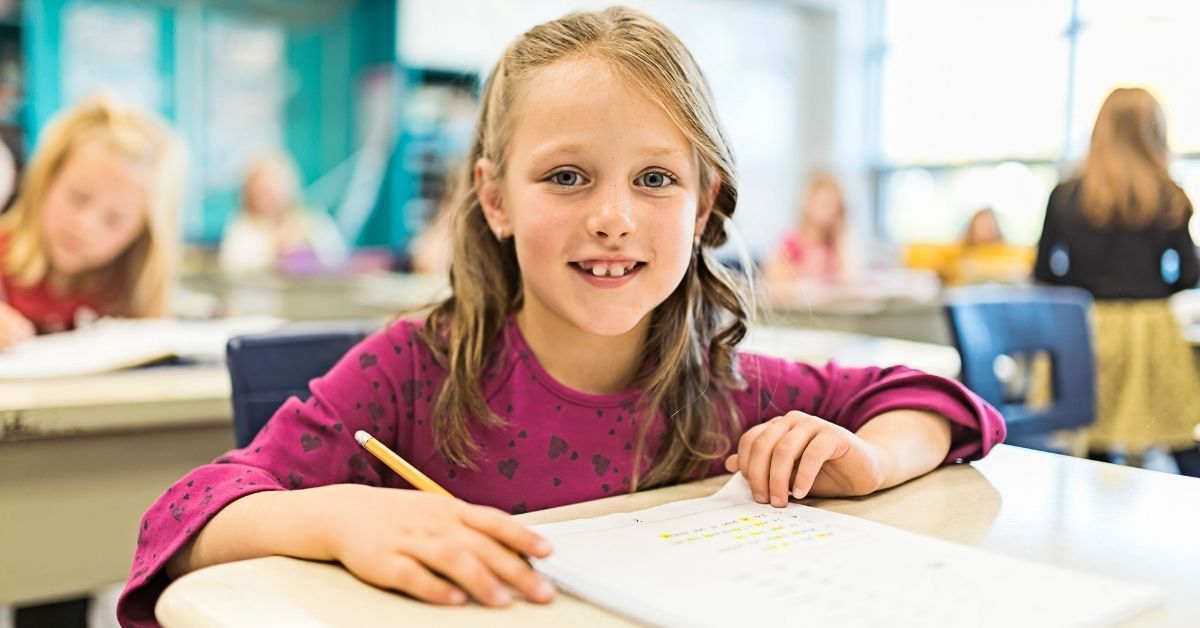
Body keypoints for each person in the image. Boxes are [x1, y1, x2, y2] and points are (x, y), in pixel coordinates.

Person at [118, 8, 1005, 625]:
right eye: (567, 176)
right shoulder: (416, 370)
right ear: (494, 198)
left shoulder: (723, 383)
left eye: (655, 179)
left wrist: (871, 455)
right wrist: (343, 516)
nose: (613, 216)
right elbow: (185, 519)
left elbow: (936, 399)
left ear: (703, 208)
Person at [1035, 87, 1200, 477]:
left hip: (1089, 327)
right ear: (1154, 131)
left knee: (1095, 440)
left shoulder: (1065, 195)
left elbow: (1045, 272)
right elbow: (1190, 276)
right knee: (1176, 432)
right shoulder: (1170, 195)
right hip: (1152, 330)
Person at [0, 94, 186, 351]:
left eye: (115, 220)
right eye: (77, 198)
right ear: (45, 181)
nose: (84, 226)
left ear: (141, 235)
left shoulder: (130, 291)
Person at [218, 151, 347, 275]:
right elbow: (233, 266)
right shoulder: (242, 226)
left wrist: (305, 246)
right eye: (261, 192)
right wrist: (273, 250)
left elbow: (337, 259)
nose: (266, 199)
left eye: (272, 190)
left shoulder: (312, 219)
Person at [762, 173, 848, 283]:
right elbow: (773, 279)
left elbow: (847, 278)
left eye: (834, 205)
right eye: (824, 203)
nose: (829, 210)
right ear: (808, 203)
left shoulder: (832, 245)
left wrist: (840, 235)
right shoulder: (793, 242)